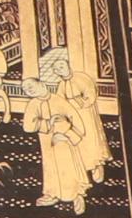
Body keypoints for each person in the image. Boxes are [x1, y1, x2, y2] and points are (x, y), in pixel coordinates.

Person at [23, 46, 107, 206]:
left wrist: (68, 127)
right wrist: (48, 123)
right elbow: (28, 126)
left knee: (82, 150)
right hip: (47, 139)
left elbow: (84, 101)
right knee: (51, 167)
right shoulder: (34, 104)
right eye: (27, 90)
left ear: (41, 85)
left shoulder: (79, 80)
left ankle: (84, 182)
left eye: (31, 86)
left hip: (80, 122)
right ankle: (52, 193)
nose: (30, 90)